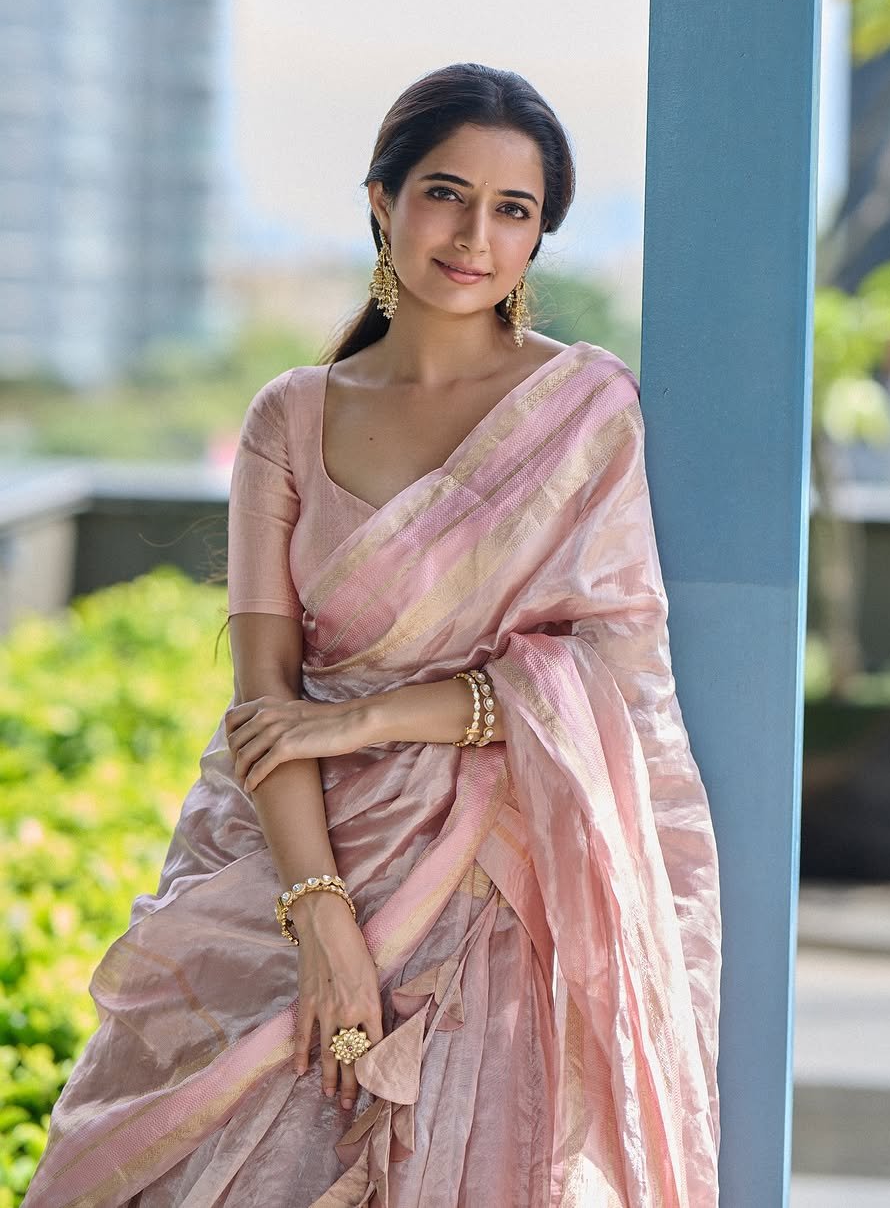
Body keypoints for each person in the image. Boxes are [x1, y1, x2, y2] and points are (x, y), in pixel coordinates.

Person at [24, 62, 723, 1207]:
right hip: (293, 858)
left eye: (515, 210)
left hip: (498, 878)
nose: (474, 236)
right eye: (446, 194)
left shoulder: (585, 412)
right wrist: (323, 921)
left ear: (541, 237)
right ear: (380, 201)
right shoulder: (292, 416)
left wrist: (372, 717)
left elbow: (610, 662)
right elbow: (263, 703)